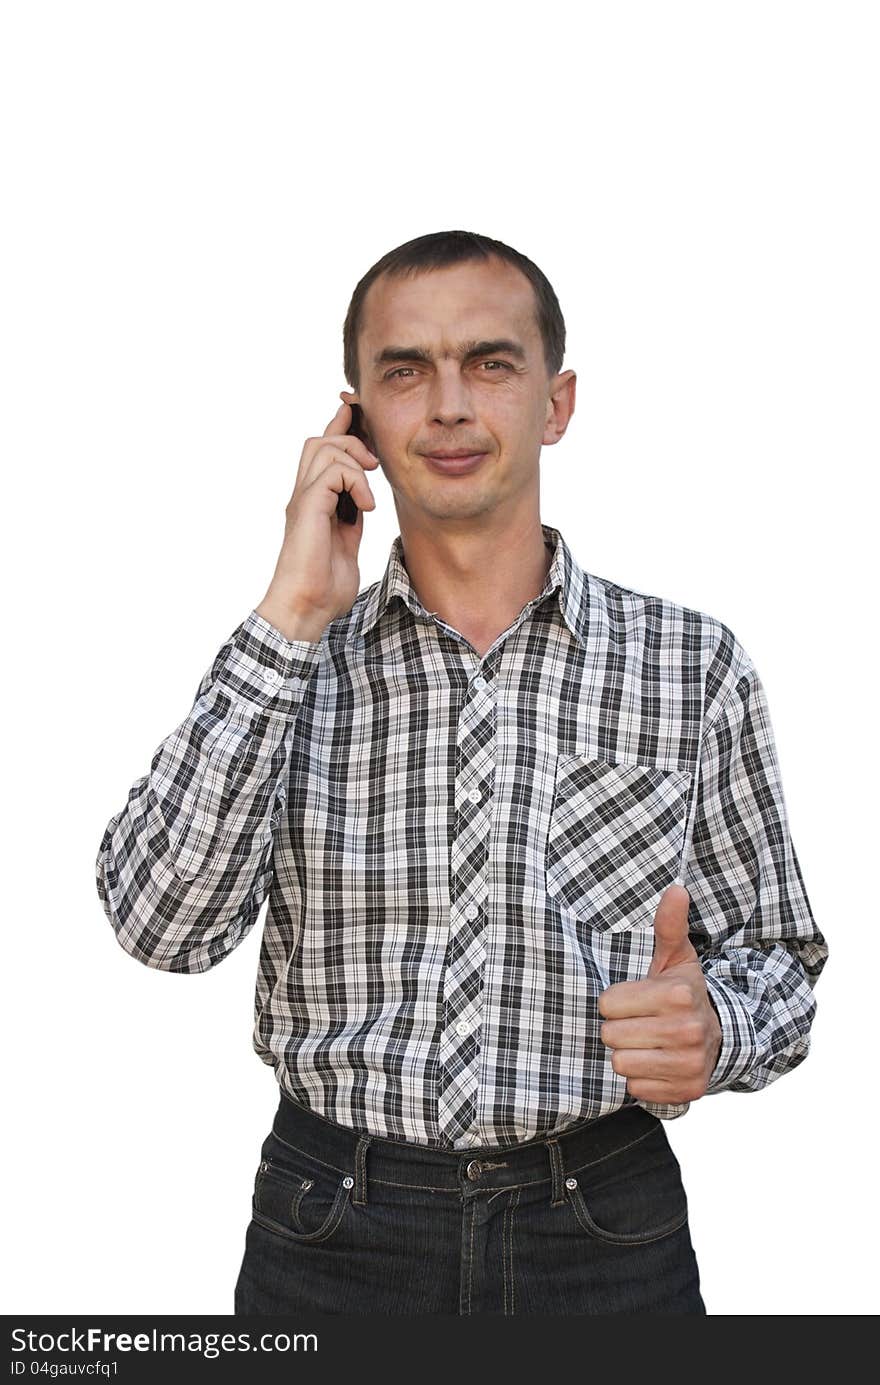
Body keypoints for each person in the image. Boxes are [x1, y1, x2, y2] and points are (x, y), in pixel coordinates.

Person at [95, 229, 828, 1316]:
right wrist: (293, 609)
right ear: (356, 423)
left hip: (603, 1223)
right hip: (331, 1223)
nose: (446, 405)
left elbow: (779, 960)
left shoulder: (690, 665)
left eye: (489, 362)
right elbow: (161, 924)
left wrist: (715, 1027)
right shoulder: (286, 660)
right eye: (405, 370)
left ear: (557, 401)